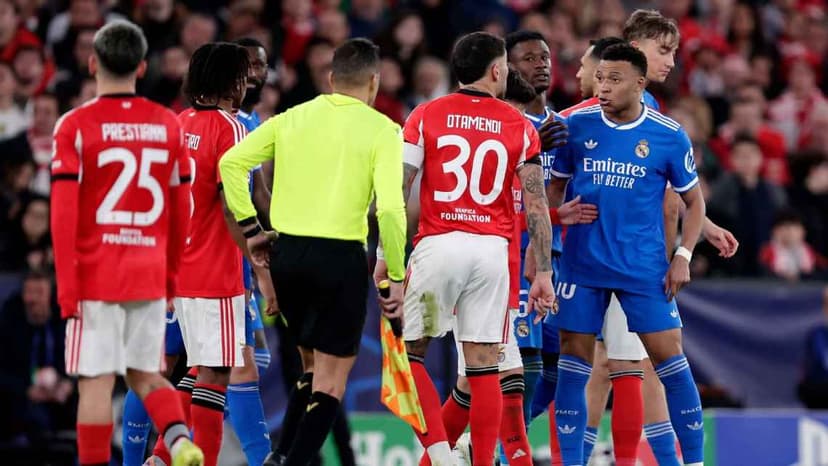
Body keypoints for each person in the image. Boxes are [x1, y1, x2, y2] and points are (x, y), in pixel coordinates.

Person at [219, 38, 408, 466]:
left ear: (331, 78)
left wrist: (251, 229)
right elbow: (391, 210)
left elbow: (231, 163)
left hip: (288, 257)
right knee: (332, 382)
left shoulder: (292, 117)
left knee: (309, 367)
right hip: (340, 259)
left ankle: (279, 456)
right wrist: (395, 275)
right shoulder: (383, 129)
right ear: (374, 82)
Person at [557, 26, 738, 466]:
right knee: (581, 368)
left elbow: (688, 199)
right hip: (582, 266)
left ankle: (690, 462)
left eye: (613, 79)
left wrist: (683, 254)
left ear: (638, 83)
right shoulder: (573, 125)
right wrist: (553, 223)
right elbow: (549, 189)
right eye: (599, 77)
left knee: (658, 364)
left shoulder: (667, 132)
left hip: (642, 268)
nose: (602, 86)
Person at [379, 31, 556, 466]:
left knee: (409, 355)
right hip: (493, 252)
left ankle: (440, 457)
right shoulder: (519, 125)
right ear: (496, 70)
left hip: (438, 246)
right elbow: (536, 205)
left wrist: (386, 257)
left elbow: (397, 192)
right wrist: (545, 273)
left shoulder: (425, 114)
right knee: (484, 368)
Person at [413, 69, 596, 466]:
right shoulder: (502, 149)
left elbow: (517, 213)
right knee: (510, 383)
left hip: (495, 279)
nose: (515, 120)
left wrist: (554, 218)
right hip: (482, 278)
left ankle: (443, 459)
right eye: (514, 112)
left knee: (481, 385)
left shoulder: (511, 153)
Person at [49, 20, 202, 466]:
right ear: (141, 67)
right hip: (148, 272)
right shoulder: (167, 124)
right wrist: (170, 278)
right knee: (147, 376)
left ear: (92, 63)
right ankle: (179, 441)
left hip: (95, 276)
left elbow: (63, 216)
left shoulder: (74, 125)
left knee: (95, 383)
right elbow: (182, 210)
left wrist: (67, 288)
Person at [147, 41, 271, 466]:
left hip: (180, 266)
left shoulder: (178, 124)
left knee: (199, 367)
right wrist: (257, 259)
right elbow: (232, 203)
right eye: (242, 77)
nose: (247, 84)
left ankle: (161, 456)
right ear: (230, 82)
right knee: (217, 374)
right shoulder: (231, 128)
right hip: (215, 269)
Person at [503, 32, 568, 432]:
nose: (540, 64)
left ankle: (501, 440)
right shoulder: (505, 123)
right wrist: (532, 148)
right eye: (528, 58)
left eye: (544, 56)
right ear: (508, 68)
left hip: (556, 256)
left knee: (563, 365)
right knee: (524, 363)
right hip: (516, 253)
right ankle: (508, 450)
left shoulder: (562, 123)